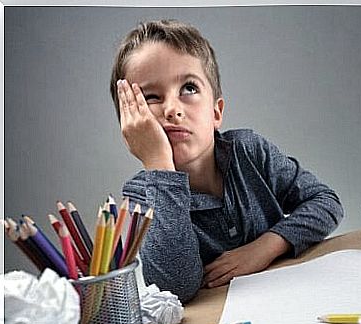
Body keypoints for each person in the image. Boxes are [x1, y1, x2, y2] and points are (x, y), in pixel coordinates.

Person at [110, 19, 344, 302]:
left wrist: (265, 247)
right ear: (131, 125)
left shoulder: (249, 151)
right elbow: (173, 289)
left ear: (216, 112)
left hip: (289, 297)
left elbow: (326, 202)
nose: (172, 109)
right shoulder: (141, 195)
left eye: (189, 88)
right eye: (151, 97)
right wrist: (159, 165)